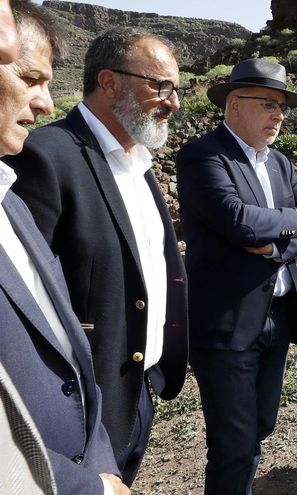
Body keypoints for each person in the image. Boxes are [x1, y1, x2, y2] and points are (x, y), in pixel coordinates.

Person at [6, 26, 189, 485]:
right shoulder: (46, 156)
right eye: (160, 85)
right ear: (109, 82)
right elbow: (28, 300)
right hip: (84, 407)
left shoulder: (139, 159)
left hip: (141, 390)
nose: (173, 102)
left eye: (176, 89)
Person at [176, 57, 297, 495]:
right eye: (269, 104)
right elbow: (238, 220)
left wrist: (271, 238)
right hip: (225, 324)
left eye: (282, 107)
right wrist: (292, 218)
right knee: (233, 444)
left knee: (260, 425)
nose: (279, 115)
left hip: (275, 316)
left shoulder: (279, 163)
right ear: (236, 104)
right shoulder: (203, 155)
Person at [0, 1, 129, 493]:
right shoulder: (46, 159)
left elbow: (64, 337)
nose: (46, 103)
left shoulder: (8, 197)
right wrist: (90, 487)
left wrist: (100, 462)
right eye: (31, 79)